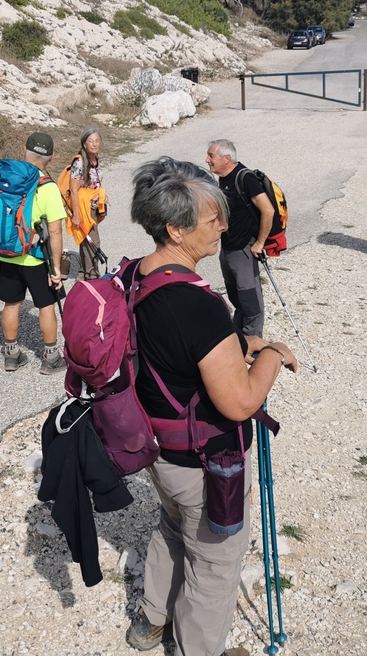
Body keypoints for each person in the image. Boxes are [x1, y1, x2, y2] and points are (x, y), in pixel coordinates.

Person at [124, 156, 297, 656]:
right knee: (216, 564)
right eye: (212, 219)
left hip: (157, 447)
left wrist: (232, 347)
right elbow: (240, 402)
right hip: (204, 462)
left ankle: (151, 623)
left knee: (172, 527)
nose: (223, 226)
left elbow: (173, 351)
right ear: (176, 230)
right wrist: (269, 353)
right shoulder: (197, 304)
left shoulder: (137, 274)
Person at [0, 132, 68, 373]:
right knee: (46, 305)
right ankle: (50, 358)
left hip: (8, 251)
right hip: (37, 257)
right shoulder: (47, 186)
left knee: (12, 303)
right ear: (51, 156)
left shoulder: (7, 177)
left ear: (24, 149)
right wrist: (56, 268)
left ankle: (11, 354)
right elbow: (55, 232)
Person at [204, 140, 275, 338]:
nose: (207, 160)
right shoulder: (224, 179)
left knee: (250, 300)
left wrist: (259, 243)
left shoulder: (245, 179)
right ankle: (238, 338)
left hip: (244, 249)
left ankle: (253, 342)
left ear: (227, 159)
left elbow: (267, 210)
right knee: (236, 297)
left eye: (211, 156)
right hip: (228, 249)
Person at [65, 127, 107, 280]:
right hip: (84, 209)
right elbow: (74, 190)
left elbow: (94, 183)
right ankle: (92, 276)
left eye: (97, 141)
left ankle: (83, 274)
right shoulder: (80, 162)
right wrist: (76, 215)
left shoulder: (94, 159)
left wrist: (102, 195)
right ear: (84, 144)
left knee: (85, 241)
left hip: (93, 207)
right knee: (92, 242)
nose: (94, 144)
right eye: (90, 141)